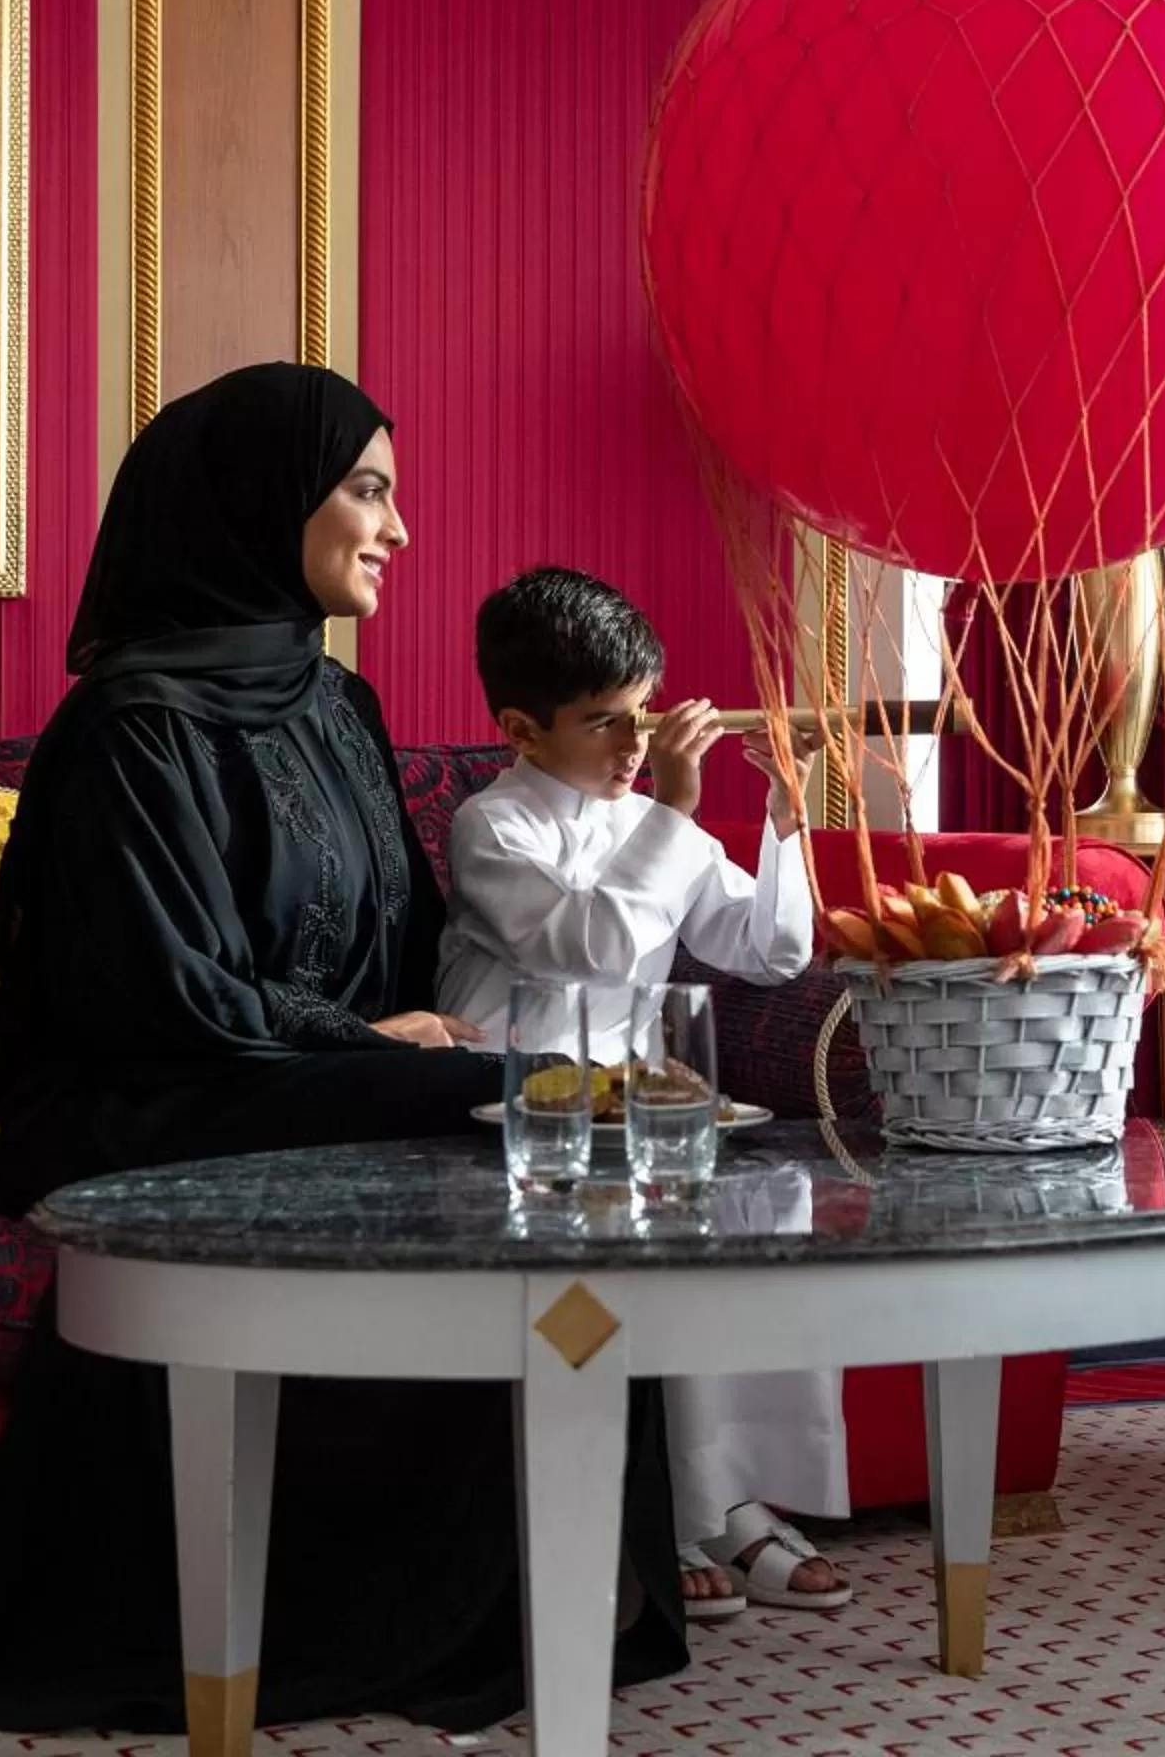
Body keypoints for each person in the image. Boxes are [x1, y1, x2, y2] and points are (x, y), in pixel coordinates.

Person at [0, 365, 690, 1735]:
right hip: (146, 1092)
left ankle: (551, 1580)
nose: (398, 528)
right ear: (258, 501)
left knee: (563, 1111)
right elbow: (158, 988)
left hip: (293, 1069)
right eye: (368, 490)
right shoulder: (131, 727)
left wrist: (417, 1033)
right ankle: (440, 1604)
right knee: (523, 1113)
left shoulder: (338, 709)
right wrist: (367, 1042)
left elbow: (403, 947)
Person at [437, 566, 853, 1621]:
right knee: (643, 1246)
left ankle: (737, 1498)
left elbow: (772, 948)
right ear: (523, 729)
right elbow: (592, 945)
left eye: (646, 715)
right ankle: (664, 1515)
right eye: (605, 724)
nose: (634, 747)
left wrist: (784, 813)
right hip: (515, 1108)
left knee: (765, 1227)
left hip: (637, 1113)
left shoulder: (650, 817)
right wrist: (671, 803)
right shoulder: (495, 827)